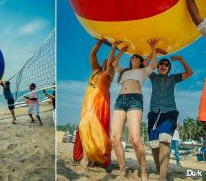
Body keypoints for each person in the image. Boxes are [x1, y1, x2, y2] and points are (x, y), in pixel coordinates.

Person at [111, 39, 159, 180]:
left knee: (135, 139)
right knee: (115, 138)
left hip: (135, 100)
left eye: (137, 56)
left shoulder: (143, 71)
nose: (134, 57)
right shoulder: (124, 71)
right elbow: (114, 64)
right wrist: (119, 50)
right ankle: (122, 168)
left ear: (141, 61)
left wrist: (153, 47)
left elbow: (154, 64)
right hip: (120, 101)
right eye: (133, 56)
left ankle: (143, 171)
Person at [144, 56, 193, 180]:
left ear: (169, 68)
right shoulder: (153, 77)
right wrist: (154, 48)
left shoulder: (173, 78)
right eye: (162, 63)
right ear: (158, 66)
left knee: (164, 140)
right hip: (154, 113)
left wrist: (181, 59)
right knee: (154, 145)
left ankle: (162, 176)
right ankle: (159, 170)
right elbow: (145, 64)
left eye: (166, 64)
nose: (164, 65)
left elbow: (189, 73)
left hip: (169, 112)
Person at [73, 39, 118, 167]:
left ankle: (90, 158)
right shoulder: (95, 70)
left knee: (94, 130)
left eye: (107, 60)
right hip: (87, 102)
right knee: (84, 128)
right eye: (104, 60)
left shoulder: (109, 73)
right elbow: (92, 55)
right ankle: (90, 157)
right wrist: (99, 43)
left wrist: (113, 48)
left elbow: (110, 63)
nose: (105, 60)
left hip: (99, 104)